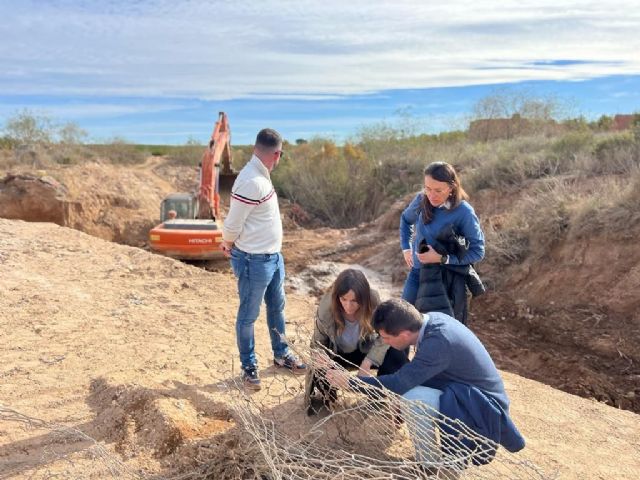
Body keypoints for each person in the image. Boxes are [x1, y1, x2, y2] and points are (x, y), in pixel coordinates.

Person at [325, 298, 525, 466]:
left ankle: (431, 465)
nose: (384, 342)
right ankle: (431, 460)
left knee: (413, 399)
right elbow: (416, 375)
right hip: (467, 393)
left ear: (404, 334)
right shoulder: (432, 321)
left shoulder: (439, 342)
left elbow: (399, 382)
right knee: (407, 392)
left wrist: (351, 383)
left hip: (482, 408)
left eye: (386, 337)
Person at [221, 128, 306, 390]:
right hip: (254, 261)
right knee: (248, 315)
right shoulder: (250, 181)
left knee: (276, 308)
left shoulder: (260, 175)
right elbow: (233, 223)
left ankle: (281, 354)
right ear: (277, 154)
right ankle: (249, 367)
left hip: (272, 258)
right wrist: (227, 242)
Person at [304, 269, 408, 414]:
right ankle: (328, 395)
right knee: (323, 388)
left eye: (354, 301)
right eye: (344, 299)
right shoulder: (326, 307)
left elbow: (385, 336)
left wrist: (369, 361)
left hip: (363, 350)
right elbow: (317, 344)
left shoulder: (373, 300)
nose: (348, 306)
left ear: (363, 298)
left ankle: (384, 397)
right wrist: (322, 359)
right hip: (336, 355)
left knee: (396, 353)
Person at [400, 162, 485, 323]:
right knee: (401, 323)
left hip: (447, 281)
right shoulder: (421, 200)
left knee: (438, 332)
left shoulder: (464, 212)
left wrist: (441, 259)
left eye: (438, 190)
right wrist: (406, 248)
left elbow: (478, 252)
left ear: (451, 188)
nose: (431, 195)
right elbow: (405, 220)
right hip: (418, 273)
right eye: (427, 188)